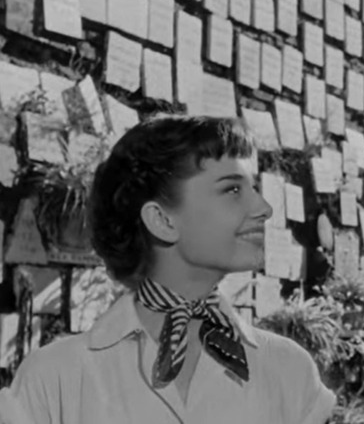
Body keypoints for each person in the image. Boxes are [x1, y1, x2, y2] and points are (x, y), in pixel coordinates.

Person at [4, 116, 336, 424]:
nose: (263, 208)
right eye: (232, 190)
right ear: (162, 220)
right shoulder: (53, 380)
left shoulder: (289, 371)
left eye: (254, 188)